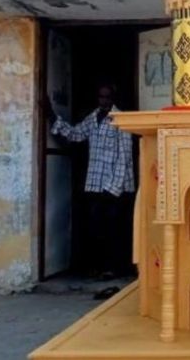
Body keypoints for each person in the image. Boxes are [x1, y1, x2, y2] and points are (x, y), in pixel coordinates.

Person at [46, 83, 134, 281]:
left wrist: (114, 188)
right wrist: (52, 116)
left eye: (107, 97)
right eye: (101, 97)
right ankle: (98, 267)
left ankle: (114, 268)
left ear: (113, 98)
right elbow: (76, 134)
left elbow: (125, 156)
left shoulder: (120, 119)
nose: (104, 101)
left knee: (114, 230)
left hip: (115, 186)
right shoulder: (93, 118)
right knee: (96, 228)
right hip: (95, 183)